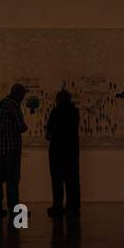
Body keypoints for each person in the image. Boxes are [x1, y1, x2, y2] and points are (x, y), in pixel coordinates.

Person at [0, 83, 27, 218]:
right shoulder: (14, 106)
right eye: (22, 95)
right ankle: (15, 211)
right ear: (18, 94)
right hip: (11, 149)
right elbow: (21, 127)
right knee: (13, 181)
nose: (22, 98)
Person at [46, 88, 80, 218]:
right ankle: (73, 205)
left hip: (57, 151)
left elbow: (49, 134)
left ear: (58, 100)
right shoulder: (75, 112)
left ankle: (58, 206)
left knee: (57, 180)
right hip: (72, 151)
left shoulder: (56, 112)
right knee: (73, 180)